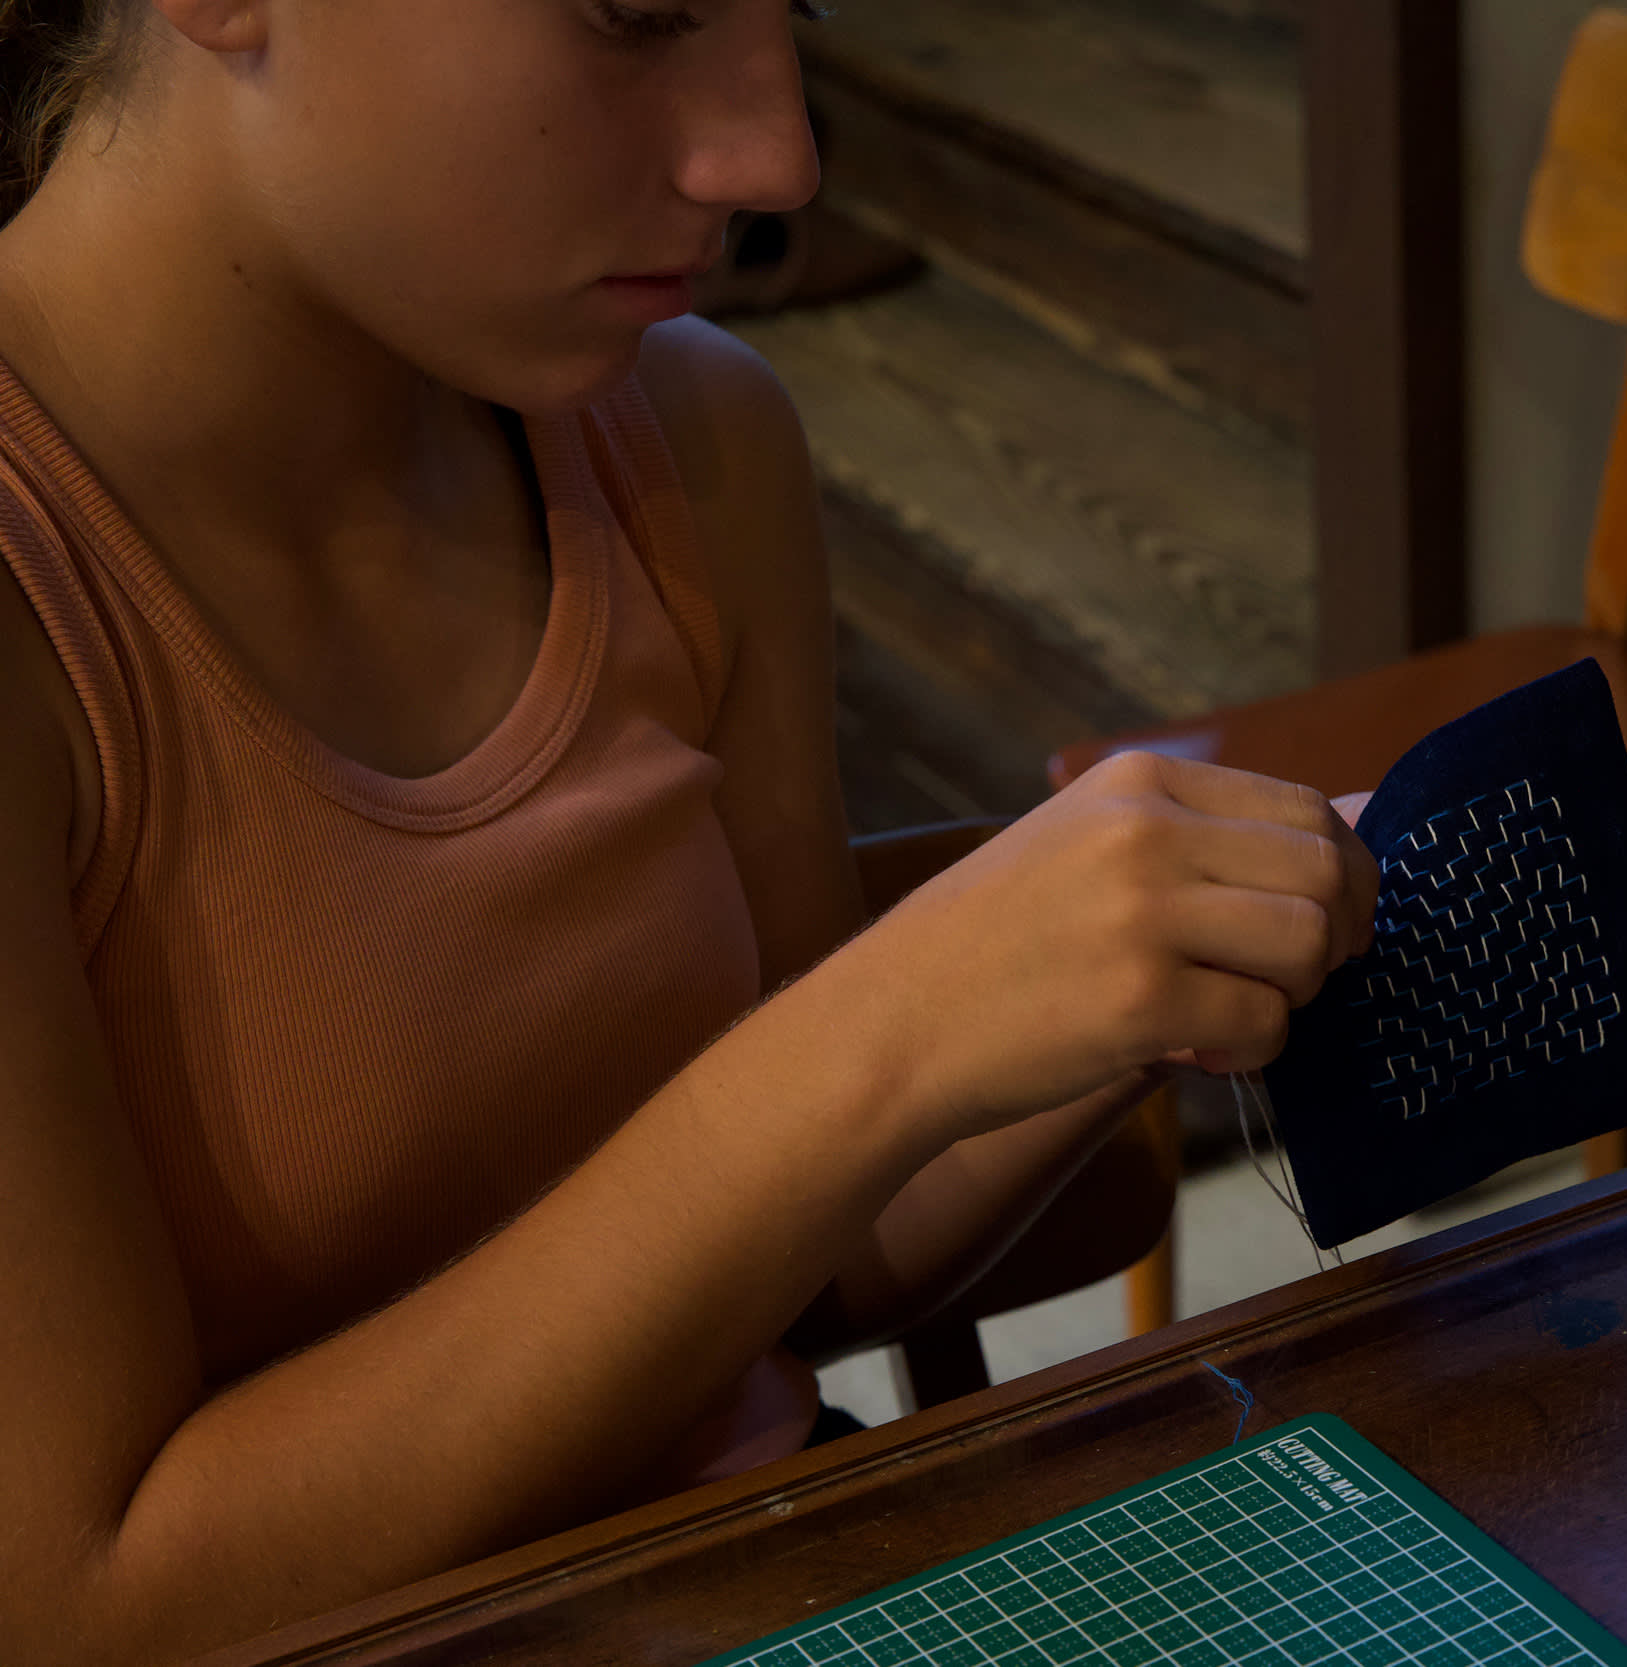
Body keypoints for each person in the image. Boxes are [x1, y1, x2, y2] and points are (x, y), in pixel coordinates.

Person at [0, 0, 1377, 1658]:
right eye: (637, 11)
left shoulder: (690, 447)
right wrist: (875, 1038)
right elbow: (84, 1612)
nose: (776, 157)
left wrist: (1103, 983)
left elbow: (814, 1270)